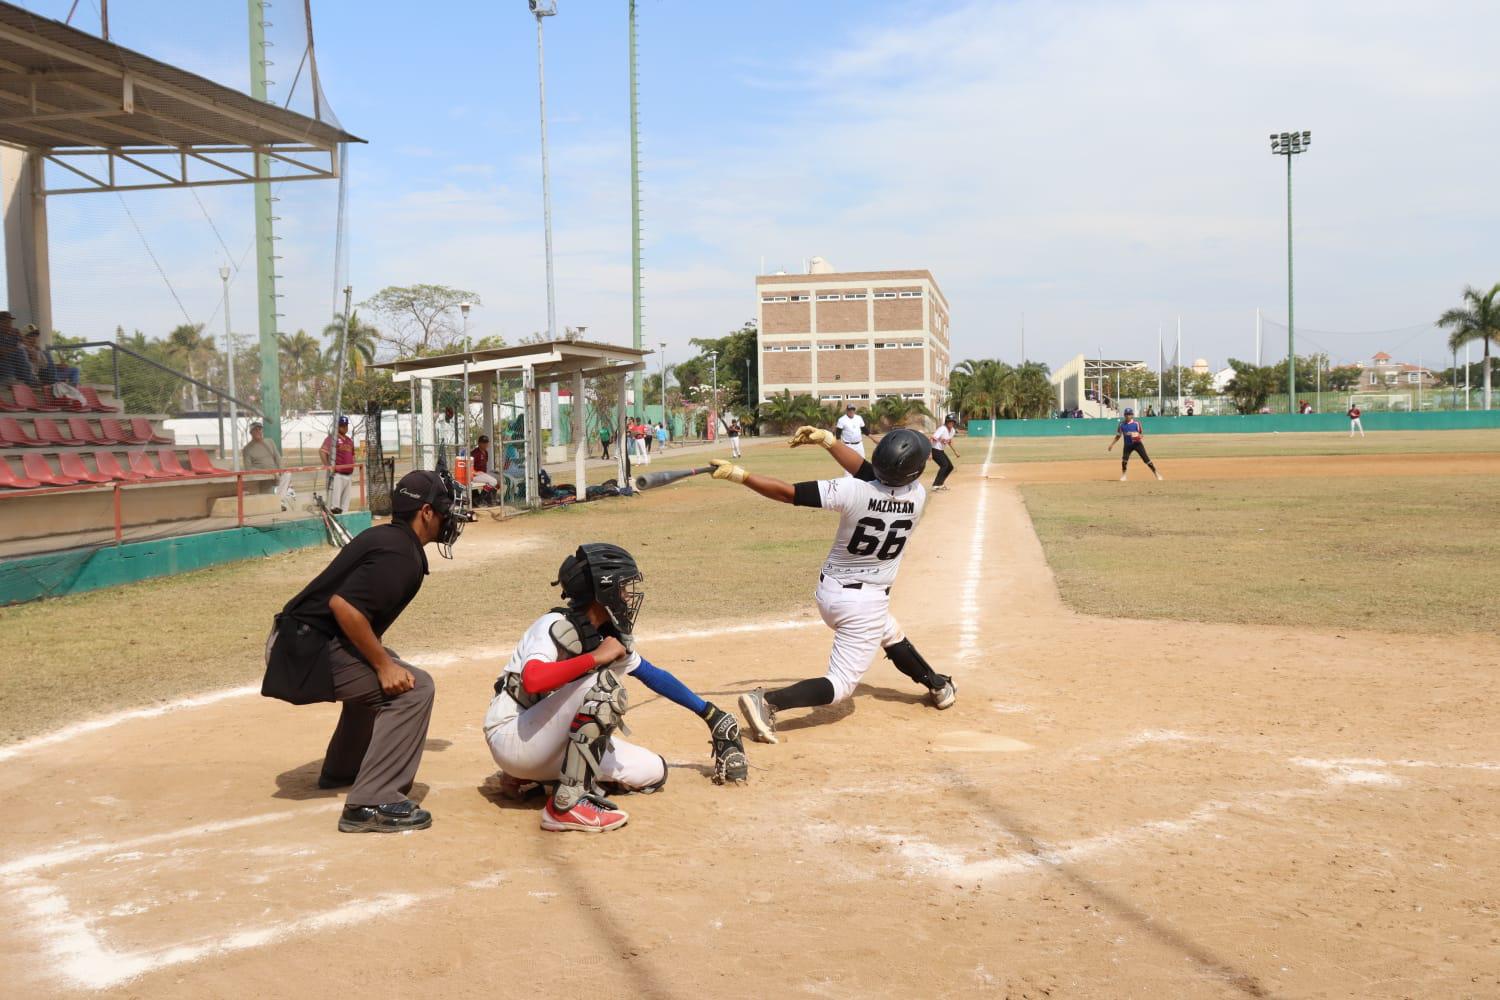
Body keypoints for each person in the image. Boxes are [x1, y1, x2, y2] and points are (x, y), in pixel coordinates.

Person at [713, 426, 956, 745]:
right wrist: (829, 443)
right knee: (840, 686)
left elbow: (789, 493)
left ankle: (936, 683)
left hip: (831, 594)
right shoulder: (917, 496)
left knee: (889, 631)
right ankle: (768, 702)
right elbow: (872, 472)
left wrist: (741, 475)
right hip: (863, 602)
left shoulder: (851, 491)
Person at [483, 543, 749, 832]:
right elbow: (534, 679)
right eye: (622, 587)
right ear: (603, 592)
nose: (627, 595)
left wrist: (710, 714)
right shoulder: (553, 624)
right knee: (604, 686)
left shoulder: (607, 638)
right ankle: (565, 807)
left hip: (548, 749)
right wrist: (595, 659)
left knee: (654, 771)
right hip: (513, 735)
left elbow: (653, 675)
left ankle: (543, 779)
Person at [262, 469, 473, 833]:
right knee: (413, 689)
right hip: (303, 649)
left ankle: (343, 769)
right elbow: (345, 607)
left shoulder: (390, 540)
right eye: (443, 510)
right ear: (425, 512)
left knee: (385, 663)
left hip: (300, 641)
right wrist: (382, 666)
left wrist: (382, 662)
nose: (448, 518)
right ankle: (371, 802)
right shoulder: (400, 554)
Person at [243, 421, 294, 506]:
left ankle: (279, 500)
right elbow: (248, 468)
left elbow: (278, 458)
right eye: (256, 430)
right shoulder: (247, 449)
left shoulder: (270, 442)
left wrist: (281, 469)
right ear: (251, 432)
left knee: (287, 474)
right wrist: (266, 472)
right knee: (266, 496)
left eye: (260, 429)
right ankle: (276, 501)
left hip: (275, 473)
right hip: (261, 475)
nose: (258, 431)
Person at [1108, 406, 1163, 482]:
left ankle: (1156, 474)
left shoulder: (1136, 423)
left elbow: (1141, 434)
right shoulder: (1121, 424)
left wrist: (1137, 436)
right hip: (1127, 445)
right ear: (1124, 415)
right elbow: (1118, 436)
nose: (1128, 416)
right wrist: (1112, 444)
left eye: (1129, 414)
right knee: (1124, 461)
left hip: (1137, 444)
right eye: (1126, 414)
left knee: (1146, 460)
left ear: (1132, 415)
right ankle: (1124, 475)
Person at [319, 415, 356, 514]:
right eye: (342, 425)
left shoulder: (349, 440)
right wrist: (328, 466)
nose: (344, 427)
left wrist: (353, 465)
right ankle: (335, 526)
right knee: (335, 506)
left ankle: (344, 526)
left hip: (348, 475)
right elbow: (322, 452)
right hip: (337, 476)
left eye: (346, 425)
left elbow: (353, 455)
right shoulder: (332, 438)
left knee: (345, 505)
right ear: (337, 426)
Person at [0, 312, 37, 388]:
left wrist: (31, 351)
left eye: (10, 322)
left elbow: (24, 344)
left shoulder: (15, 331)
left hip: (16, 361)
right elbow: (2, 352)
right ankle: (28, 381)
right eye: (6, 322)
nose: (9, 324)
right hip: (3, 361)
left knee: (23, 352)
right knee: (18, 353)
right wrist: (17, 349)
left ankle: (51, 381)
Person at [929, 414, 960, 490]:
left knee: (950, 467)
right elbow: (931, 439)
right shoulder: (942, 429)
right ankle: (935, 485)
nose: (951, 423)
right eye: (950, 422)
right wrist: (929, 453)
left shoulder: (952, 431)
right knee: (944, 465)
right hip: (934, 450)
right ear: (946, 422)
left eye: (953, 422)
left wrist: (955, 451)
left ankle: (940, 483)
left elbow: (949, 441)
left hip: (940, 451)